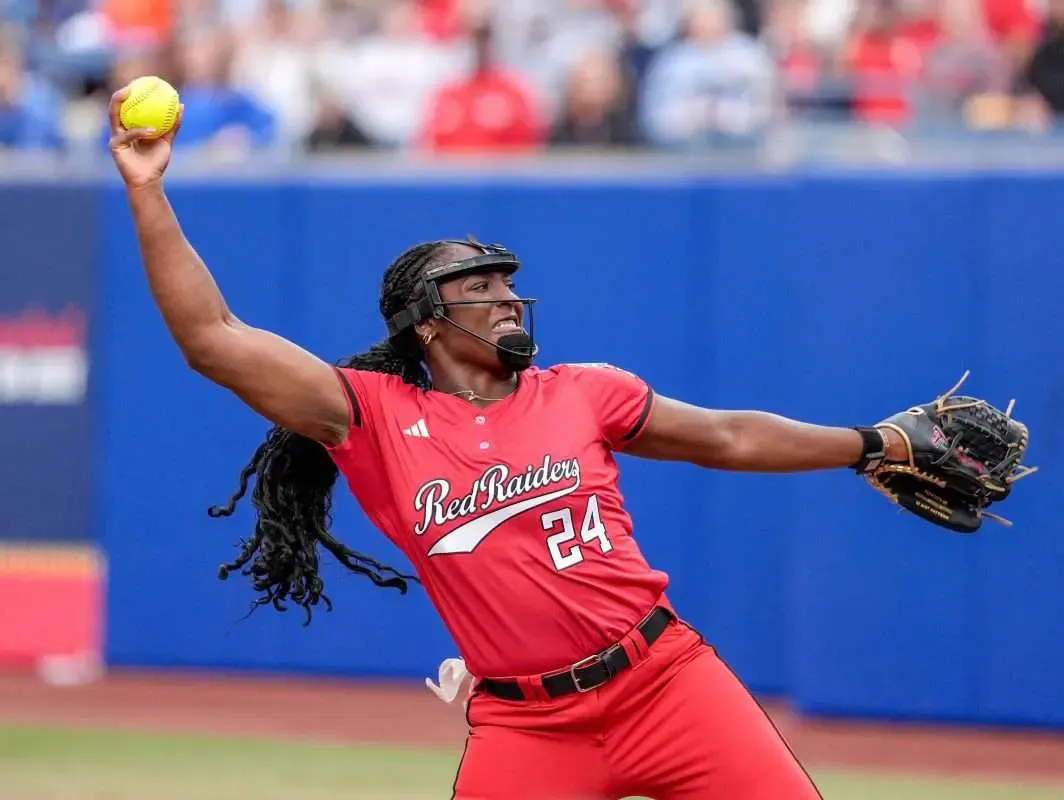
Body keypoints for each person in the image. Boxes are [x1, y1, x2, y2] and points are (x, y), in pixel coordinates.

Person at [107, 82, 914, 800]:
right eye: (480, 288)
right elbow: (211, 337)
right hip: (529, 728)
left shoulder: (583, 390)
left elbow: (729, 437)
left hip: (667, 685)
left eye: (508, 286)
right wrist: (147, 191)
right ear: (427, 320)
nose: (508, 300)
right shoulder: (370, 415)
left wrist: (870, 443)